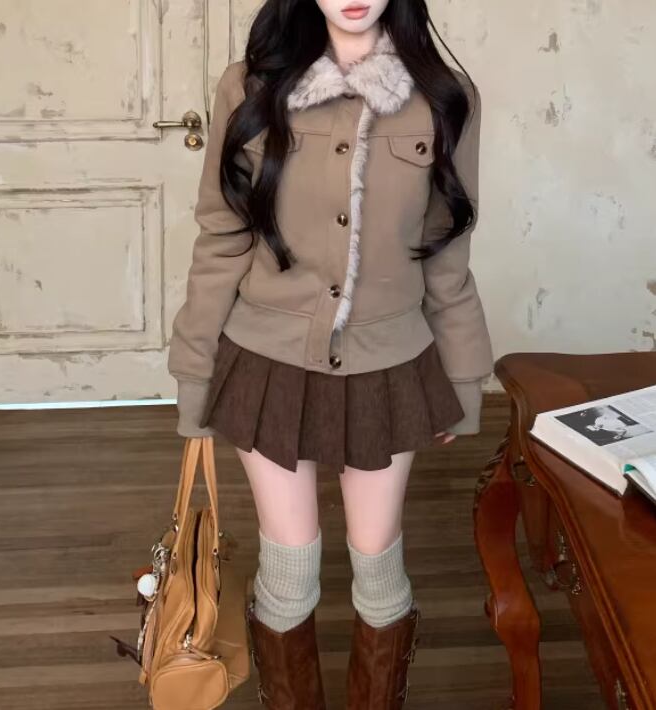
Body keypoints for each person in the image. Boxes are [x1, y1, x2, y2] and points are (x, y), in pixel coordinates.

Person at [167, 0, 494, 707]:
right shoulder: (248, 87)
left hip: (390, 364)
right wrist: (194, 371)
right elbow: (222, 237)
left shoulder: (446, 96)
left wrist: (465, 377)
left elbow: (447, 257)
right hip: (266, 363)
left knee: (379, 566)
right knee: (288, 568)